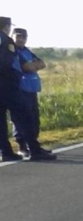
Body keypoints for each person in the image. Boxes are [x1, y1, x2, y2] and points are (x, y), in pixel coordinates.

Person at [0, 17, 56, 161]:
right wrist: (14, 75)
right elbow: (8, 62)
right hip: (8, 86)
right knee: (24, 118)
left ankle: (6, 152)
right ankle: (33, 149)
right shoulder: (6, 41)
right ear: (6, 27)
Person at [9, 28, 46, 157]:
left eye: (23, 37)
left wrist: (33, 66)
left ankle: (34, 145)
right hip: (20, 89)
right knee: (23, 119)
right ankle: (23, 146)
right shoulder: (13, 51)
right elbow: (28, 67)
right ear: (12, 37)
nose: (21, 39)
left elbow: (42, 63)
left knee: (34, 118)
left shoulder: (27, 51)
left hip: (31, 89)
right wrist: (33, 66)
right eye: (18, 37)